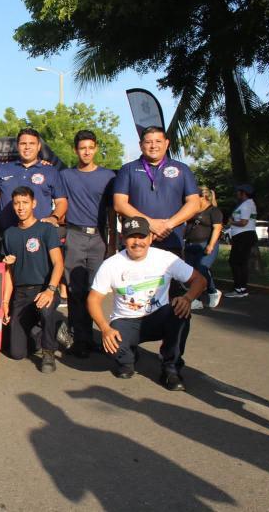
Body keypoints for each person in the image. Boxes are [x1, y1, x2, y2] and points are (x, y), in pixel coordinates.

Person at [88, 216, 206, 391]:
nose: (137, 242)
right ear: (123, 238)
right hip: (126, 320)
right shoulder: (111, 264)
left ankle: (171, 369)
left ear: (151, 238)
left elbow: (199, 280)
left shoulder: (166, 259)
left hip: (158, 317)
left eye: (142, 236)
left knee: (180, 311)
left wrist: (187, 298)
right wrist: (105, 329)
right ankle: (128, 358)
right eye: (131, 237)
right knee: (113, 347)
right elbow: (93, 299)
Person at [59, 130, 116, 357]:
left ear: (95, 148)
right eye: (82, 148)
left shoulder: (108, 176)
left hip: (99, 237)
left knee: (96, 290)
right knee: (75, 289)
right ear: (76, 150)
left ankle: (95, 335)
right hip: (74, 234)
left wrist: (112, 243)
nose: (86, 151)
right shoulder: (66, 175)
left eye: (90, 147)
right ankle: (80, 339)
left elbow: (112, 210)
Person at [0, 186, 65, 372]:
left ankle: (48, 352)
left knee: (45, 311)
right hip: (21, 294)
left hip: (44, 289)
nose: (21, 207)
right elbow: (9, 273)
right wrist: (5, 302)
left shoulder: (46, 229)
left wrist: (50, 290)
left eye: (25, 203)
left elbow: (58, 263)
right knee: (17, 353)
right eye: (17, 203)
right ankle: (47, 330)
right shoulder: (9, 234)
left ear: (33, 204)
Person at [113, 126, 199, 254]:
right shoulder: (127, 169)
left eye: (158, 141)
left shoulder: (182, 169)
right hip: (137, 242)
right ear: (141, 145)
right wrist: (150, 224)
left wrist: (167, 226)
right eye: (148, 142)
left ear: (166, 143)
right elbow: (119, 204)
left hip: (172, 241)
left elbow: (194, 204)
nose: (153, 146)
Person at [0, 128, 67, 243]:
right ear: (17, 146)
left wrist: (54, 218)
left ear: (38, 147)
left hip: (40, 238)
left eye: (32, 143)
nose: (27, 147)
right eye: (23, 143)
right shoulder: (3, 169)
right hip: (6, 237)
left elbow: (62, 202)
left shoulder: (50, 171)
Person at [184, 186, 223, 308]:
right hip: (191, 244)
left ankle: (213, 291)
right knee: (192, 273)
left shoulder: (214, 211)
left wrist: (211, 245)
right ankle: (197, 299)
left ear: (203, 197)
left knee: (202, 268)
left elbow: (217, 228)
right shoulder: (192, 210)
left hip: (205, 244)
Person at [225, 184, 258, 298]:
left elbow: (244, 222)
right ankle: (241, 288)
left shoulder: (246, 205)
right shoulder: (248, 204)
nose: (236, 193)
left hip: (243, 236)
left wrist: (231, 222)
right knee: (240, 262)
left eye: (238, 192)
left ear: (243, 193)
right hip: (244, 235)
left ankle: (239, 289)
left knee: (235, 262)